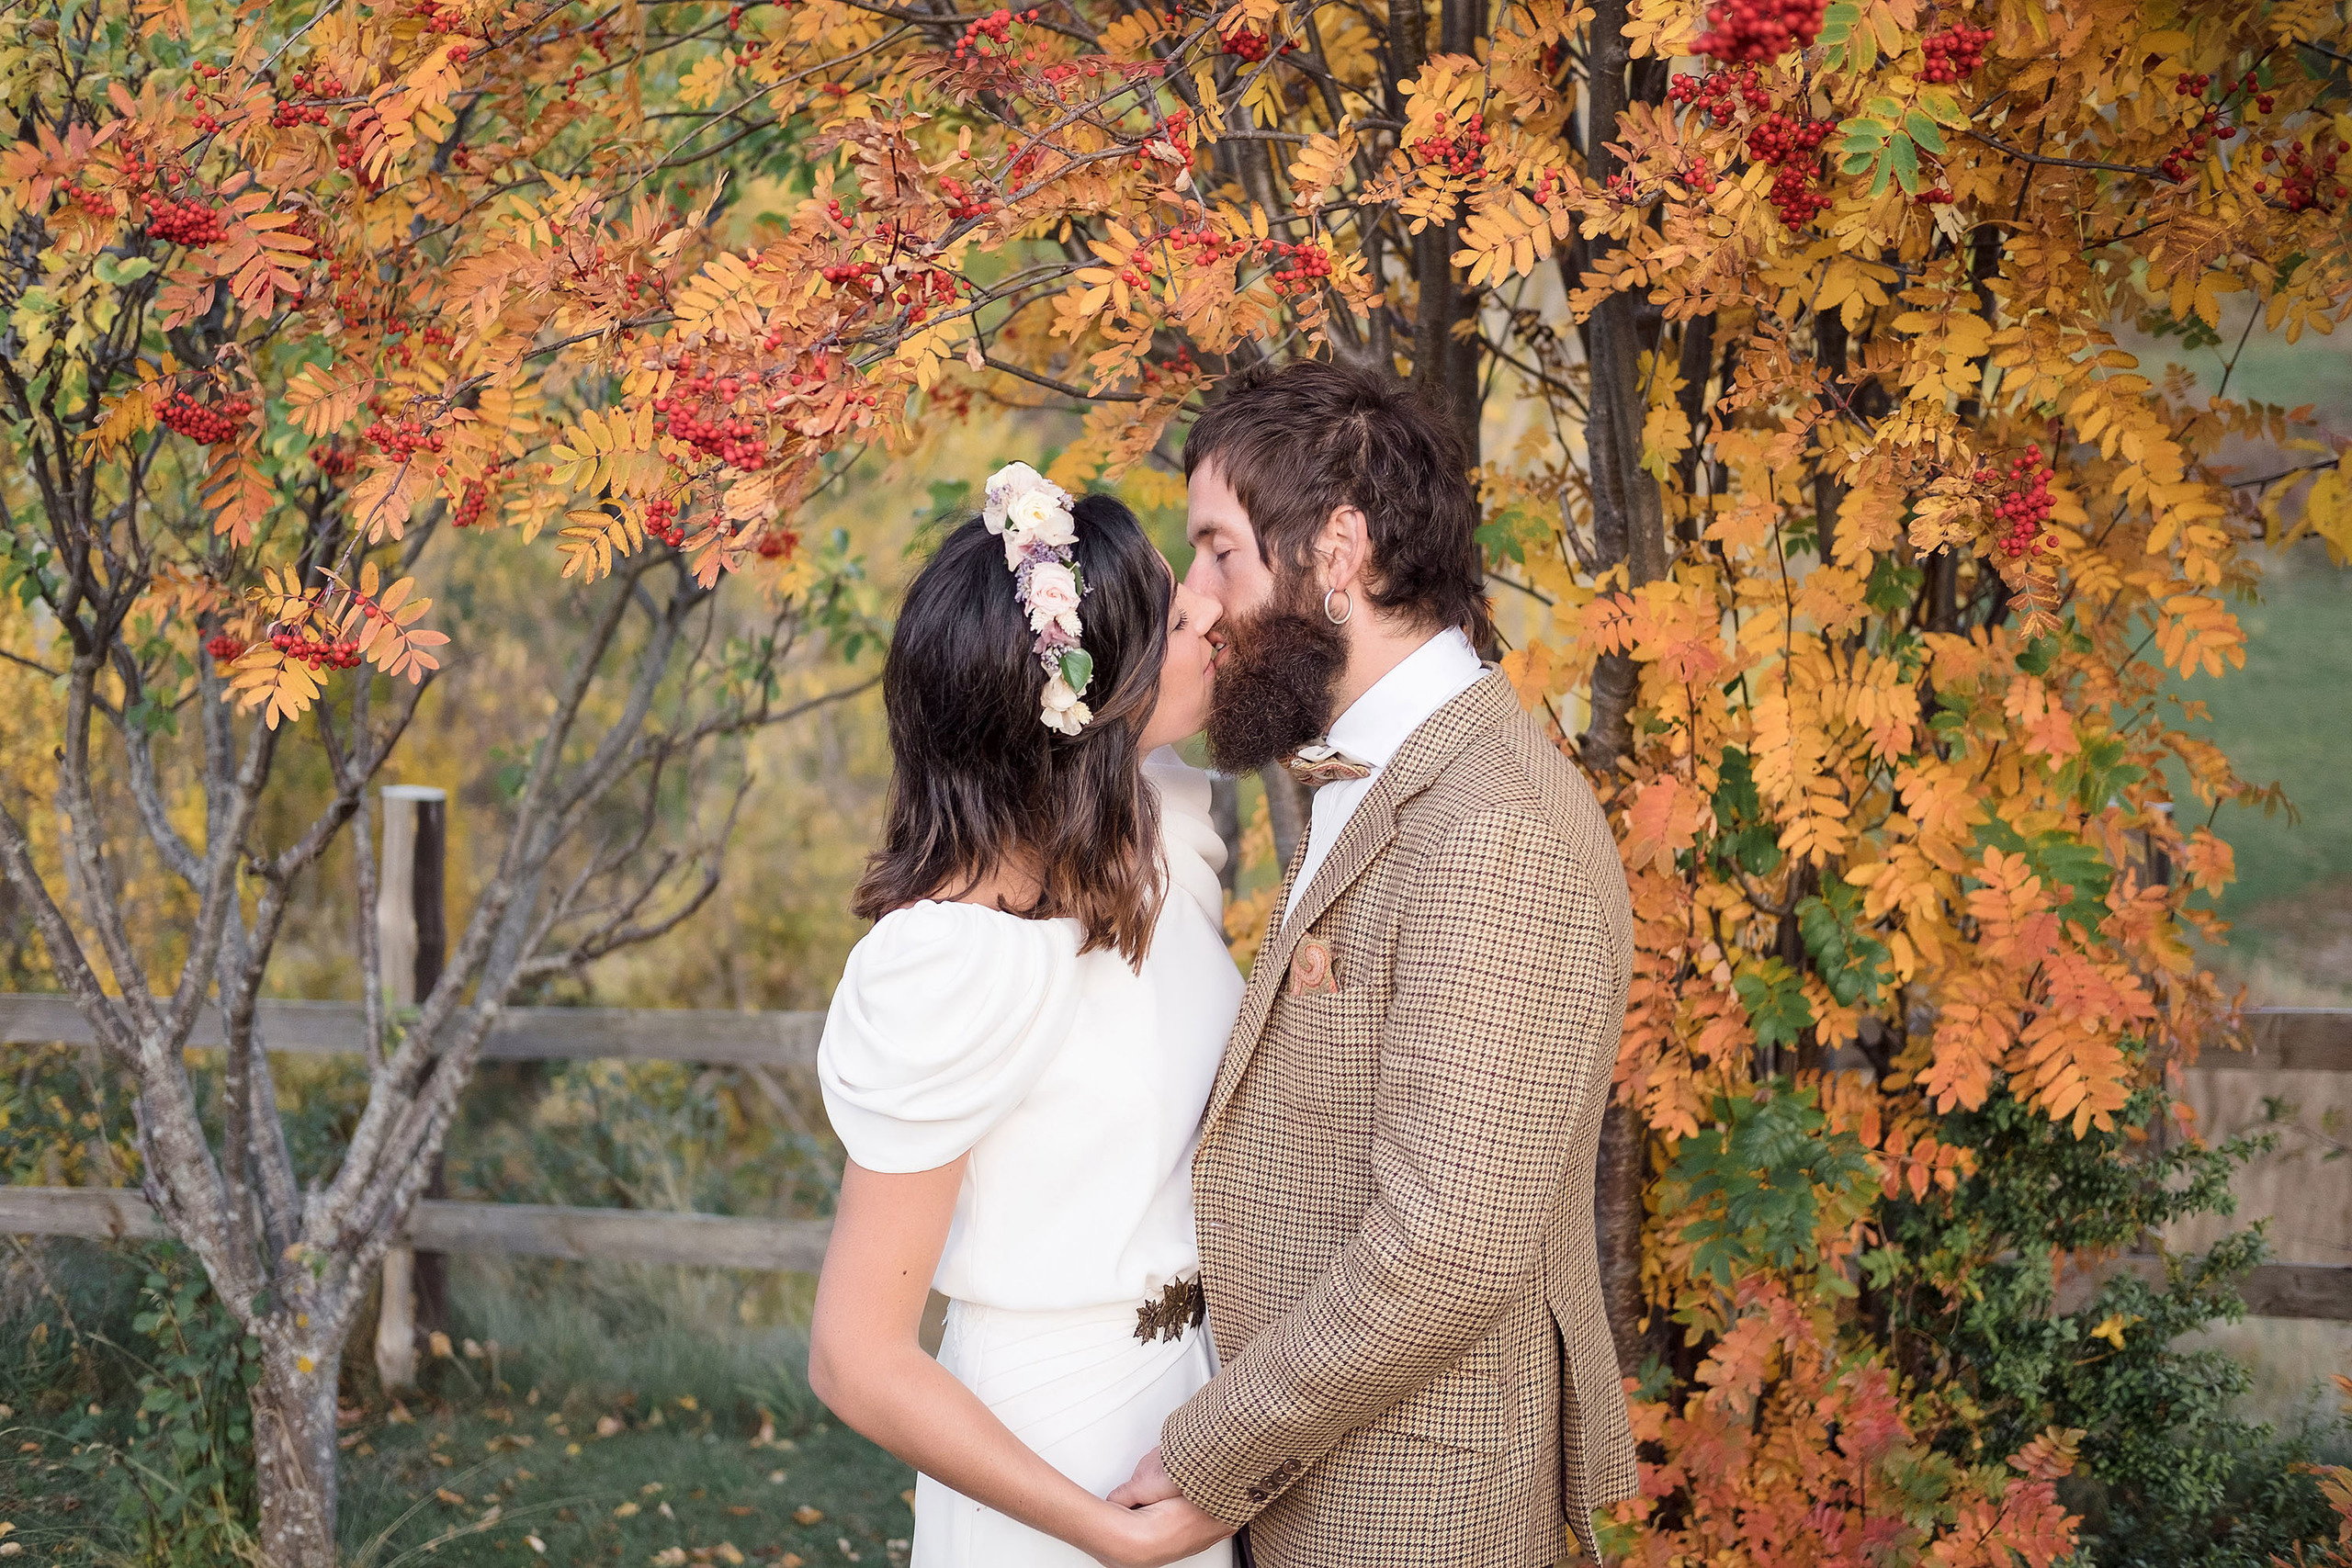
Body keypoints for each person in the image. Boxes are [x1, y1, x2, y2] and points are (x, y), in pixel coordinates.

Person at [1110, 361, 1639, 1566]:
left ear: (1338, 547)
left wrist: (1211, 1458)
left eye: (1220, 552)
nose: (1193, 603)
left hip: (1411, 1515)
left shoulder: (1492, 819)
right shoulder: (1385, 772)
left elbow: (1445, 1243)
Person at [808, 468, 1239, 1568]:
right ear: (1093, 708)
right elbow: (855, 1358)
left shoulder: (1153, 844)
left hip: (1195, 1409)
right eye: (1176, 618)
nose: (1210, 615)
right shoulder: (954, 964)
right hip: (1050, 1454)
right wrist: (1104, 1535)